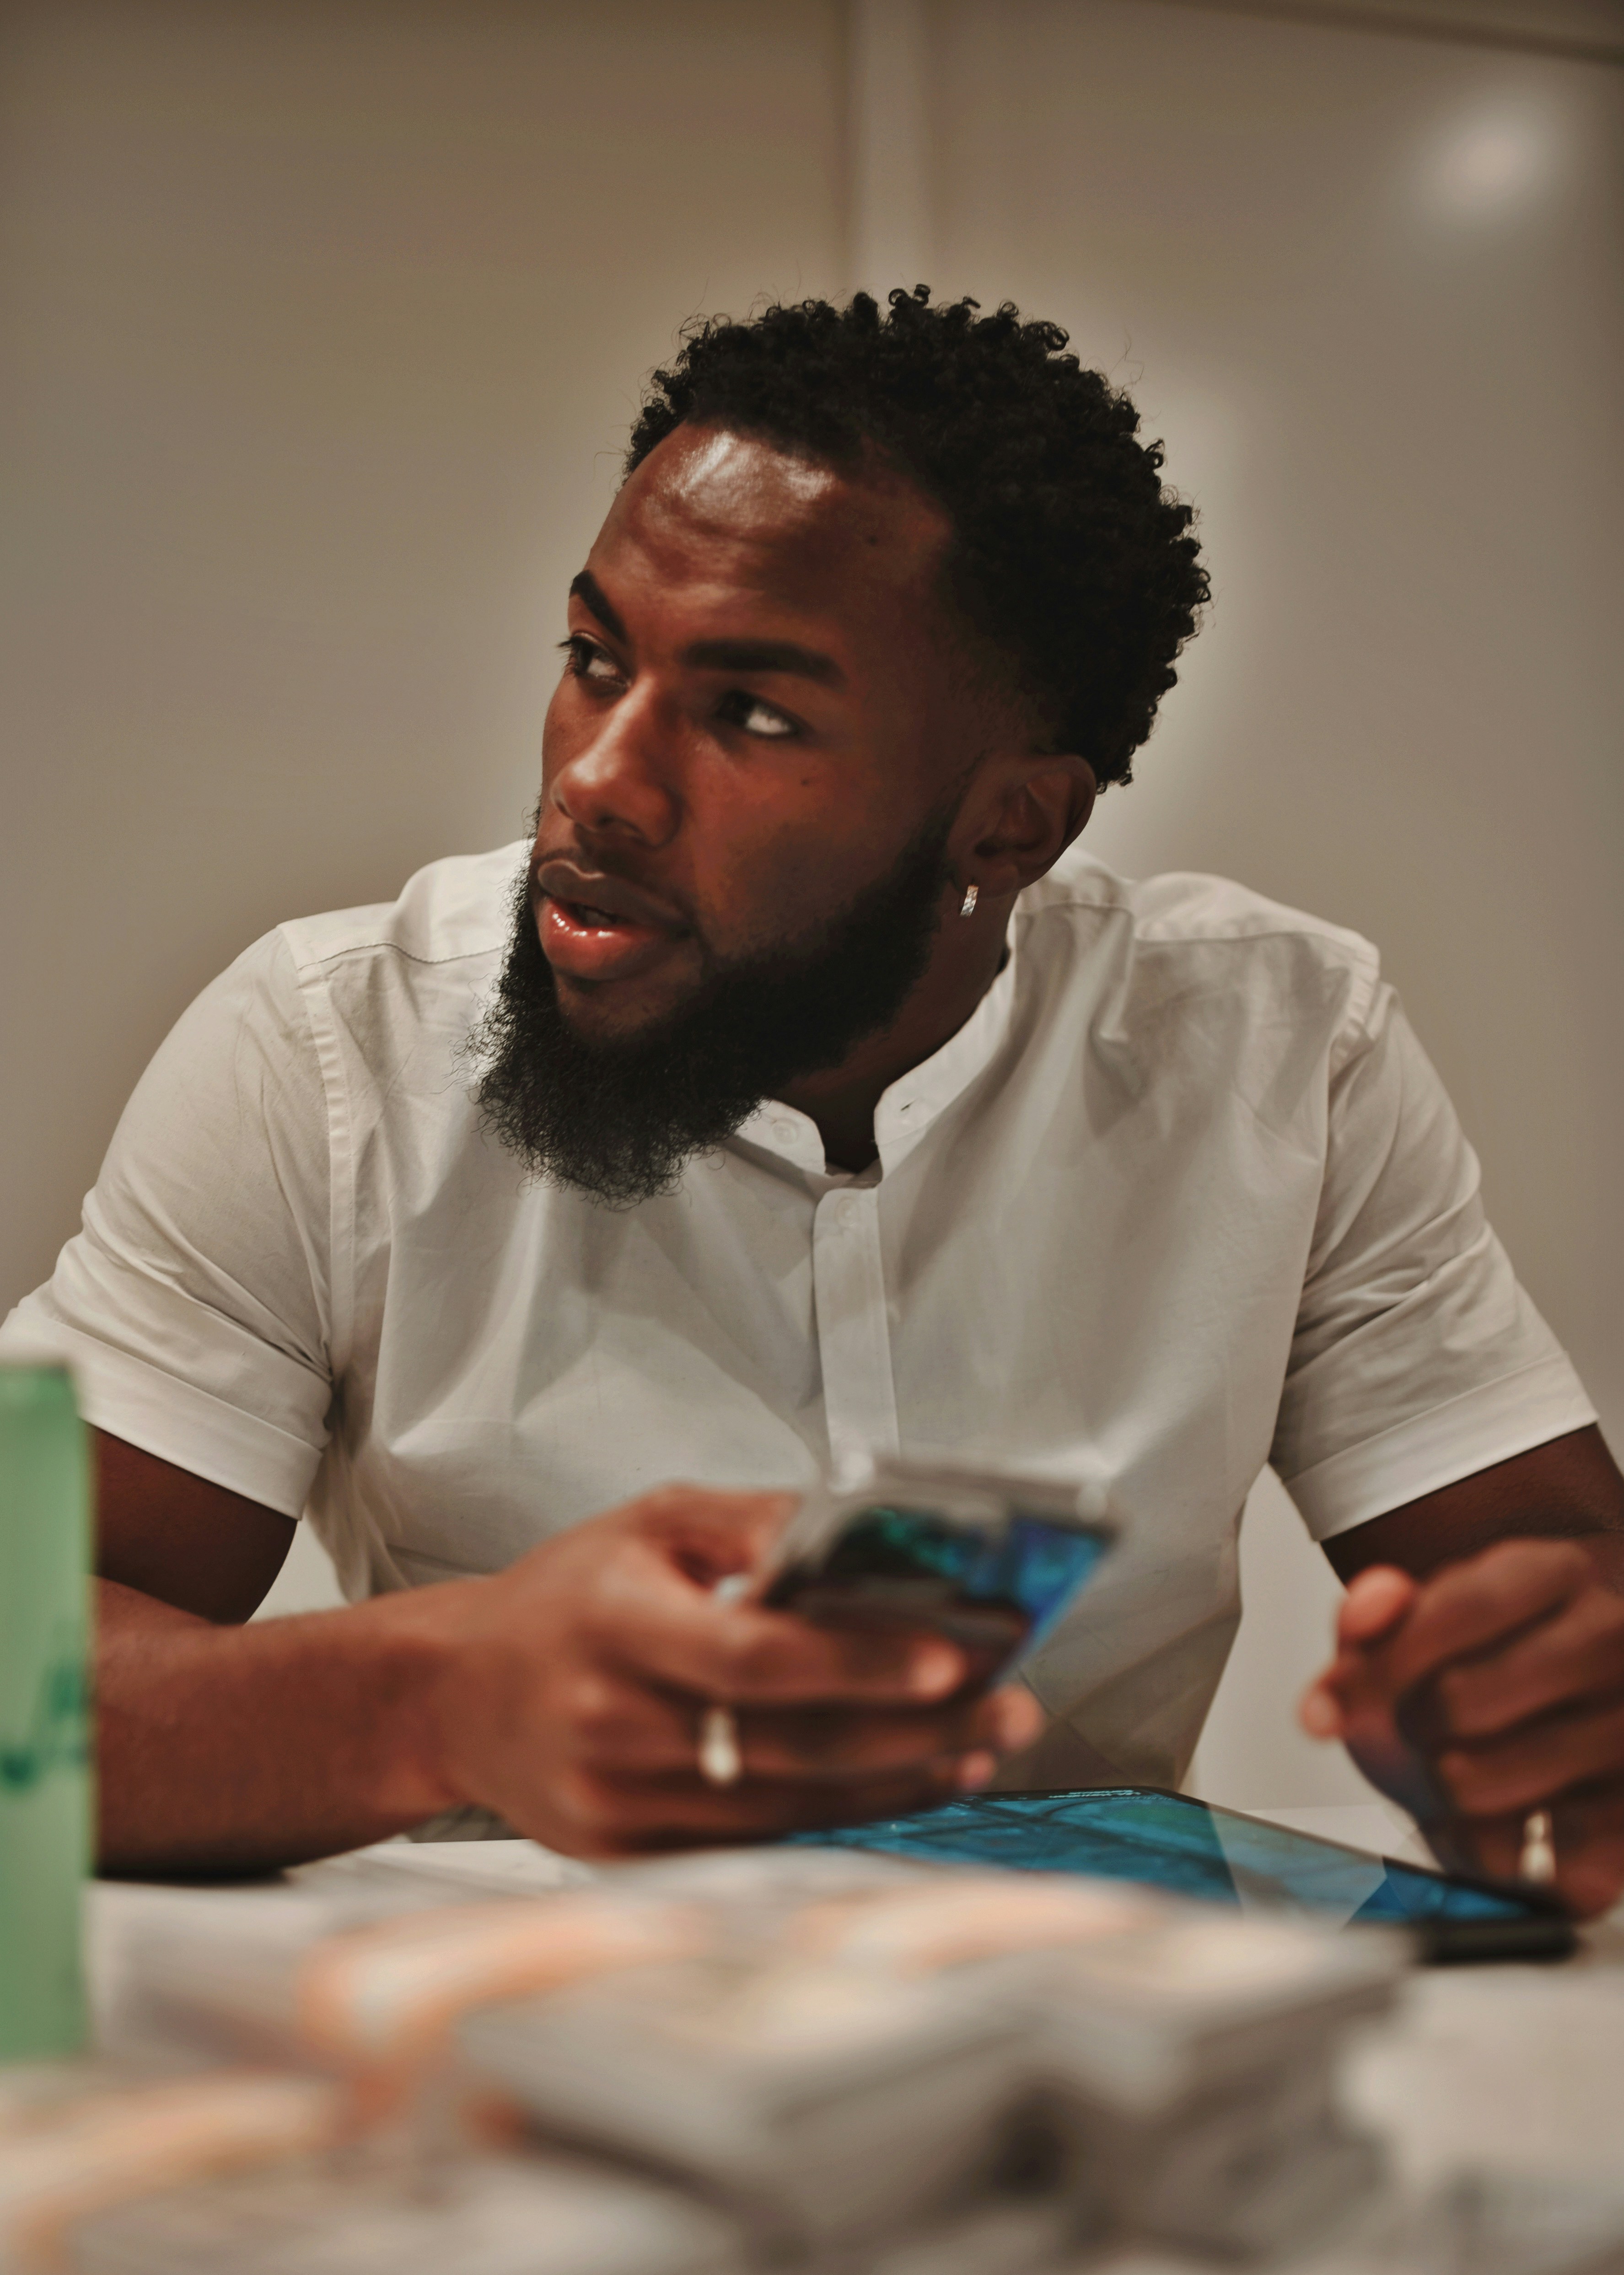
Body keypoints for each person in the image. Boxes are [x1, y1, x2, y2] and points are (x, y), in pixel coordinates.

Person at [5, 290, 1621, 1909]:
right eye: (593, 658)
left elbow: (1564, 1634)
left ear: (1011, 828)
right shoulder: (331, 1048)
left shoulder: (1282, 1053)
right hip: (524, 2074)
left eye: (753, 714)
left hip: (1088, 2074)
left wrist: (1542, 1740)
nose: (598, 780)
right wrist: (437, 1693)